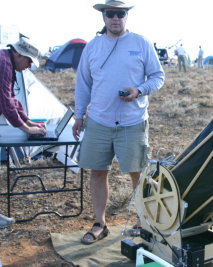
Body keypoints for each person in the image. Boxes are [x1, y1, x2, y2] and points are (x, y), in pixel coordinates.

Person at [72, 0, 165, 245]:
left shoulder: (141, 43)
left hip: (132, 121)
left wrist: (139, 90)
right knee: (97, 171)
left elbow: (158, 76)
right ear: (103, 17)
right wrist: (79, 115)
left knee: (137, 173)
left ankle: (142, 222)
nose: (115, 18)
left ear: (126, 16)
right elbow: (83, 84)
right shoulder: (92, 47)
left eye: (120, 13)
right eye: (110, 14)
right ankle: (100, 224)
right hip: (99, 121)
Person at [0, 37, 46, 135]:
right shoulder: (4, 65)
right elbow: (6, 103)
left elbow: (11, 99)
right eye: (29, 61)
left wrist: (28, 122)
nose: (29, 66)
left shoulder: (6, 59)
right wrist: (28, 129)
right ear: (19, 54)